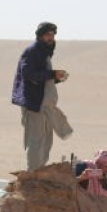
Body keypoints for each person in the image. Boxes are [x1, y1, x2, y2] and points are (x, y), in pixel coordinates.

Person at [12, 21, 71, 171]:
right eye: (47, 34)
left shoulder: (43, 53)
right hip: (34, 104)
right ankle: (32, 174)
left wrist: (56, 78)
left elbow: (40, 80)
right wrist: (52, 74)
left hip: (43, 105)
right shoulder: (32, 51)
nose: (51, 38)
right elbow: (28, 74)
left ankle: (39, 172)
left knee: (46, 141)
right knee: (36, 141)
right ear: (40, 36)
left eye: (52, 35)